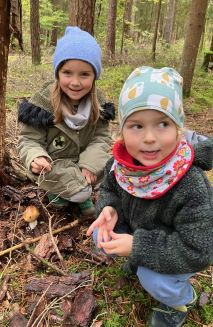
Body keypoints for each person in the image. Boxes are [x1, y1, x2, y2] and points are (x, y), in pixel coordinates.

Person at [87, 66, 213, 326]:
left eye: (163, 124)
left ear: (178, 129)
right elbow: (110, 188)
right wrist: (109, 209)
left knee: (152, 277)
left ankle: (180, 300)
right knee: (102, 234)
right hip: (144, 231)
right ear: (122, 130)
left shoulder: (190, 183)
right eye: (136, 125)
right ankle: (138, 261)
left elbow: (199, 250)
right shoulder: (123, 165)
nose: (149, 138)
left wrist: (138, 247)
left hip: (179, 247)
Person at [18, 26, 115, 216]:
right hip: (54, 167)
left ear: (95, 76)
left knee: (112, 169)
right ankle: (67, 194)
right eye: (67, 73)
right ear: (57, 73)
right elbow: (28, 140)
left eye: (84, 74)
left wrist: (90, 164)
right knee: (79, 191)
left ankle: (77, 193)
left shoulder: (99, 103)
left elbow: (101, 138)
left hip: (84, 164)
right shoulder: (43, 104)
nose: (75, 82)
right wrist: (36, 157)